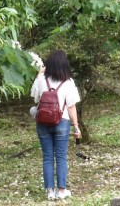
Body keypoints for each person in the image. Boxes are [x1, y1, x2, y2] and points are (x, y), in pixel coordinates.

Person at [30, 50, 82, 201]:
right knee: (60, 157)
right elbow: (71, 107)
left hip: (42, 123)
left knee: (47, 157)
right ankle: (61, 191)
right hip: (62, 122)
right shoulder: (68, 82)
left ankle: (50, 192)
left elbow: (35, 98)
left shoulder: (42, 79)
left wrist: (39, 75)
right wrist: (76, 126)